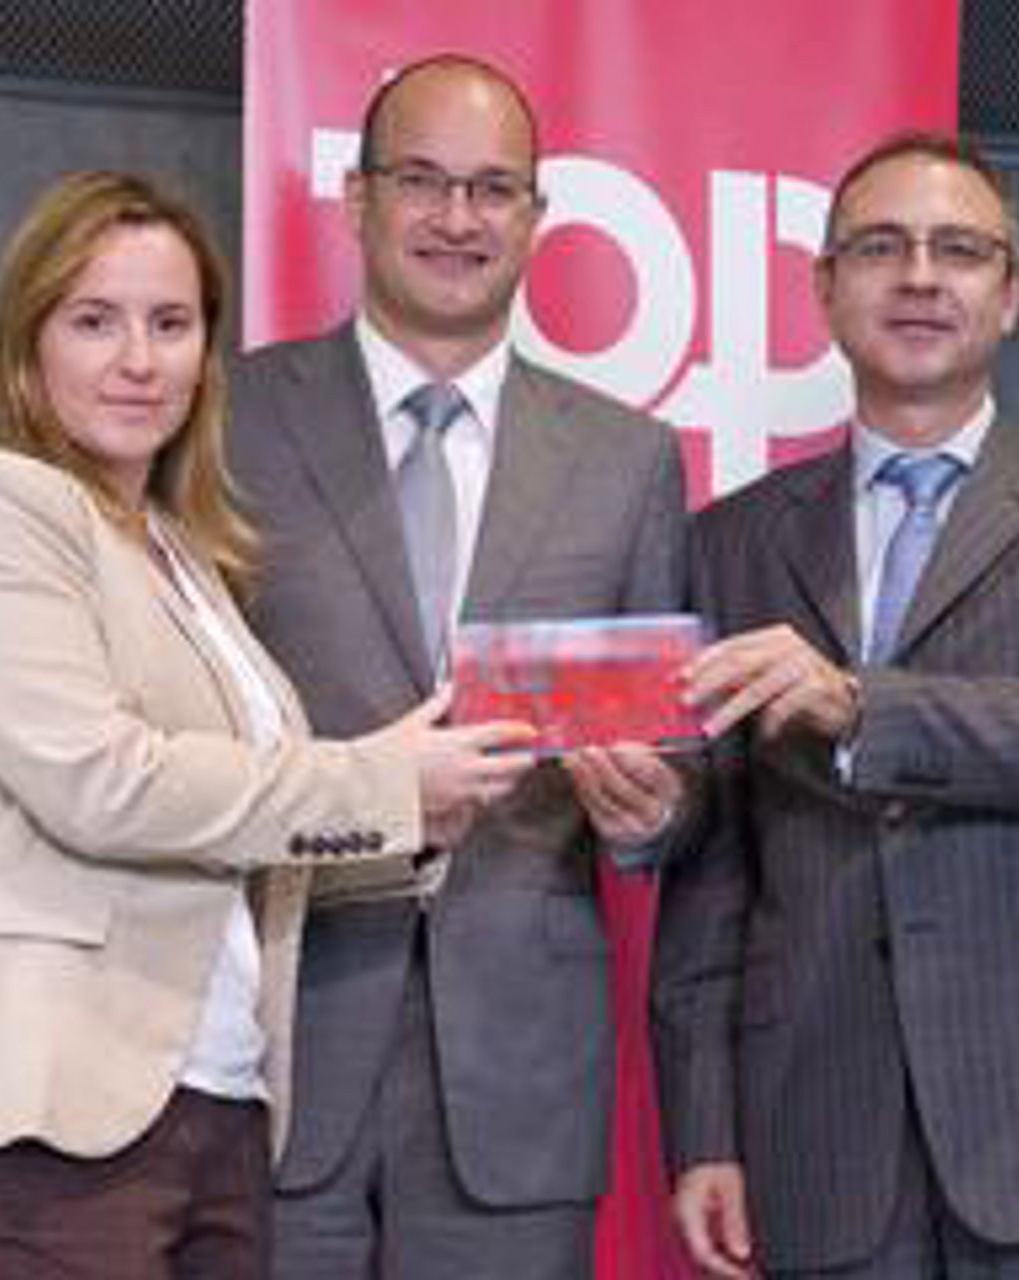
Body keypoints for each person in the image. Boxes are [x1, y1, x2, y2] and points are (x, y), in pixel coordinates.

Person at [0, 170, 534, 1278]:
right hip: (35, 1119)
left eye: (171, 324)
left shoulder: (180, 552)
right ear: (26, 342)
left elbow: (224, 844)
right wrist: (381, 781)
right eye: (94, 321)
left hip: (214, 1105)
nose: (139, 359)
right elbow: (102, 782)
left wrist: (423, 815)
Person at [653, 133, 1019, 1279]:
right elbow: (716, 872)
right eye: (881, 247)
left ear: (1012, 294)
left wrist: (855, 704)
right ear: (825, 287)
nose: (920, 276)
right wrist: (706, 1128)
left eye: (960, 250)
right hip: (820, 1129)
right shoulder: (731, 539)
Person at [227, 54, 691, 1280]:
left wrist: (651, 814)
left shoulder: (630, 459)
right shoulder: (228, 421)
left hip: (519, 1074)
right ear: (357, 197)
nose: (457, 217)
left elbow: (677, 767)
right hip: (275, 1044)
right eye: (422, 180)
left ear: (536, 216)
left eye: (493, 188)